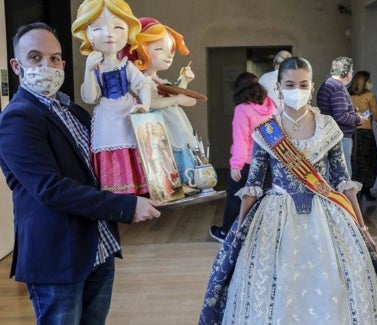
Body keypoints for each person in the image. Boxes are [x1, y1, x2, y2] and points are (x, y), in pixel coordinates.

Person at [199, 57, 377, 324]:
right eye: (290, 84)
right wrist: (238, 232)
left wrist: (363, 230)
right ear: (280, 89)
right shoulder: (267, 130)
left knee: (334, 282)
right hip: (275, 217)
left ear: (312, 85)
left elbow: (343, 181)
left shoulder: (328, 126)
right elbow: (255, 185)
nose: (297, 89)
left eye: (303, 84)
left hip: (326, 215)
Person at [0, 22, 161, 324]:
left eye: (55, 58)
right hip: (57, 257)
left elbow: (105, 166)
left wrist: (149, 182)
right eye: (35, 57)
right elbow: (51, 189)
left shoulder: (74, 111)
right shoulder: (17, 118)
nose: (48, 65)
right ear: (16, 65)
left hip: (98, 247)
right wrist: (126, 206)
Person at [72, 0, 152, 195]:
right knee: (110, 146)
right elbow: (91, 97)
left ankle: (138, 190)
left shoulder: (126, 65)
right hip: (106, 116)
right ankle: (114, 192)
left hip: (127, 112)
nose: (109, 34)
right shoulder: (95, 67)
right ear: (88, 33)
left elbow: (143, 85)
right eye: (98, 28)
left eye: (118, 27)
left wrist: (145, 106)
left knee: (132, 145)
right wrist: (88, 70)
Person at [126, 17, 198, 183]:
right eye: (159, 49)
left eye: (170, 51)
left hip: (175, 126)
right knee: (167, 161)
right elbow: (151, 102)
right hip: (160, 130)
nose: (168, 56)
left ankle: (186, 183)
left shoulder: (160, 81)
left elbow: (176, 96)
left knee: (183, 156)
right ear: (141, 50)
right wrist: (177, 99)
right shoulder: (142, 81)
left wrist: (185, 80)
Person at [209, 72, 275, 242]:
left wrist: (236, 165)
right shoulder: (271, 106)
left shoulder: (242, 109)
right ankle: (259, 235)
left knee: (236, 198)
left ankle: (226, 234)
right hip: (269, 161)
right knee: (263, 198)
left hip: (247, 162)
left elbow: (241, 140)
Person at [317, 56, 367, 178]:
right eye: (351, 70)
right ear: (345, 72)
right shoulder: (338, 88)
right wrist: (358, 119)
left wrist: (352, 112)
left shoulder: (327, 84)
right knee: (343, 176)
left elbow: (335, 111)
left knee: (333, 173)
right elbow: (340, 116)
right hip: (341, 136)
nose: (352, 74)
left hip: (331, 134)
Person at [350, 71, 377, 201]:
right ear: (364, 82)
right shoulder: (370, 96)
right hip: (366, 132)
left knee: (355, 160)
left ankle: (356, 191)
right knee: (369, 161)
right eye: (369, 81)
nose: (370, 83)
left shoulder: (348, 96)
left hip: (353, 132)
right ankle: (366, 190)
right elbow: (375, 113)